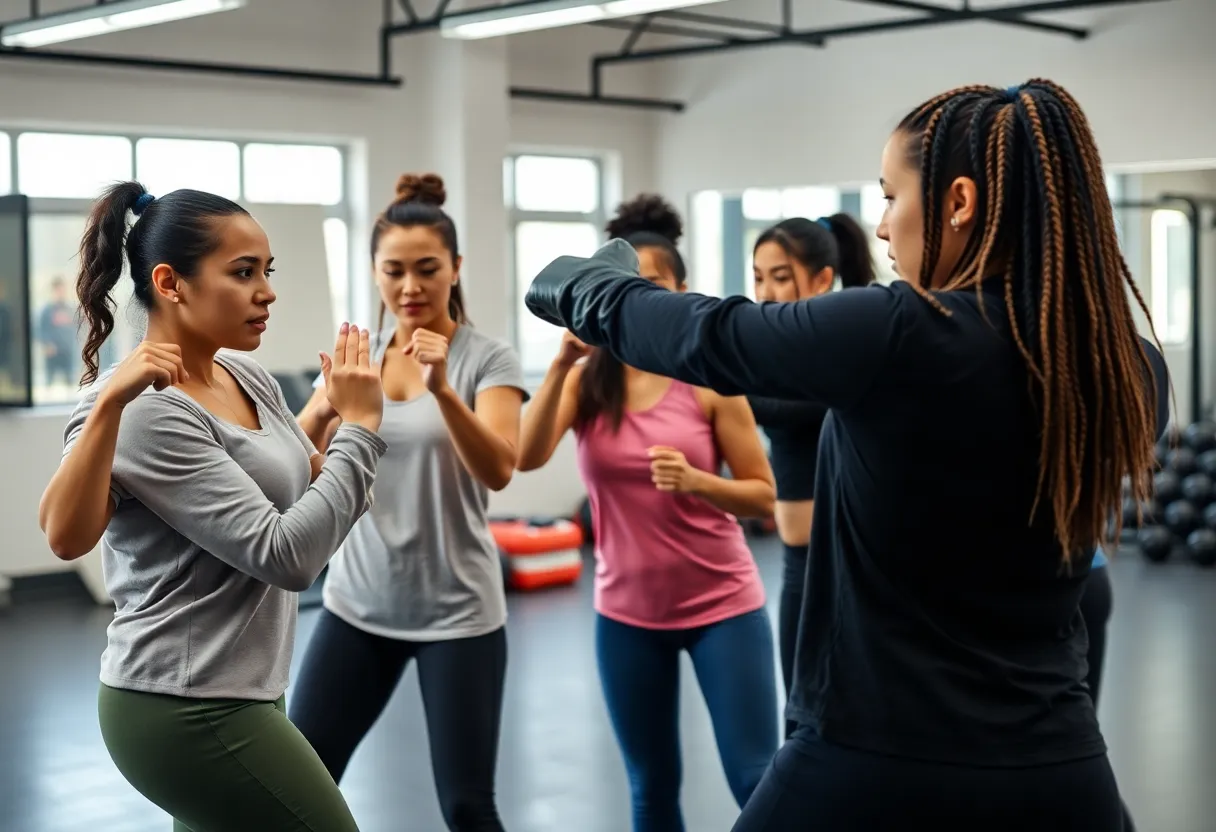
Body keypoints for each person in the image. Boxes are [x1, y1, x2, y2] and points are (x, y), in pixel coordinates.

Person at [523, 80, 1171, 830]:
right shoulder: (1130, 369)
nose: (884, 227)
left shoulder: (900, 333)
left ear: (958, 202)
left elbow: (715, 337)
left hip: (871, 754)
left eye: (892, 195)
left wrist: (584, 287)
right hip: (1059, 771)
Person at [37, 182, 388, 832]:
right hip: (185, 705)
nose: (268, 291)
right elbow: (288, 555)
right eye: (243, 272)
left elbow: (326, 493)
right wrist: (362, 431)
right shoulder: (148, 410)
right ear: (171, 282)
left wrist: (340, 428)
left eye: (268, 271)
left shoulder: (245, 376)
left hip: (249, 685)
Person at [517, 194, 779, 832]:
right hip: (627, 615)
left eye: (651, 287)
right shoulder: (588, 382)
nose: (633, 303)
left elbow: (763, 494)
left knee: (756, 781)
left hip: (724, 607)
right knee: (652, 788)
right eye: (623, 288)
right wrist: (559, 366)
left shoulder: (709, 382)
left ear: (680, 293)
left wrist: (697, 483)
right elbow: (524, 457)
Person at [288, 173, 526, 832]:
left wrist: (444, 390)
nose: (411, 287)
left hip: (458, 613)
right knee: (303, 780)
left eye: (427, 269)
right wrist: (322, 406)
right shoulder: (356, 357)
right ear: (374, 272)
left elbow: (500, 469)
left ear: (456, 267)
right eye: (394, 271)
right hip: (358, 604)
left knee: (466, 804)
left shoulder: (489, 359)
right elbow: (296, 451)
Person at [749, 215, 876, 733]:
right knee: (800, 723)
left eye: (780, 276)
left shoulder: (844, 346)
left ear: (824, 278)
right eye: (758, 277)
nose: (765, 292)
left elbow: (781, 403)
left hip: (857, 566)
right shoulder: (771, 352)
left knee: (863, 725)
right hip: (798, 568)